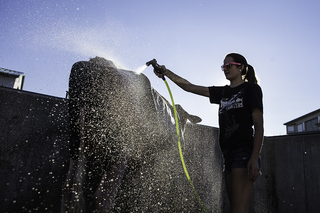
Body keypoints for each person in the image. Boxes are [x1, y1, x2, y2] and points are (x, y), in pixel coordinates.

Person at [153, 53, 263, 213]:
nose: (225, 69)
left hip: (244, 152)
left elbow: (259, 126)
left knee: (238, 209)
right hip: (228, 154)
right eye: (223, 67)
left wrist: (254, 157)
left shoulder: (251, 89)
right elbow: (189, 87)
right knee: (235, 207)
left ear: (240, 67)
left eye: (228, 65)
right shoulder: (223, 93)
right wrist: (166, 72)